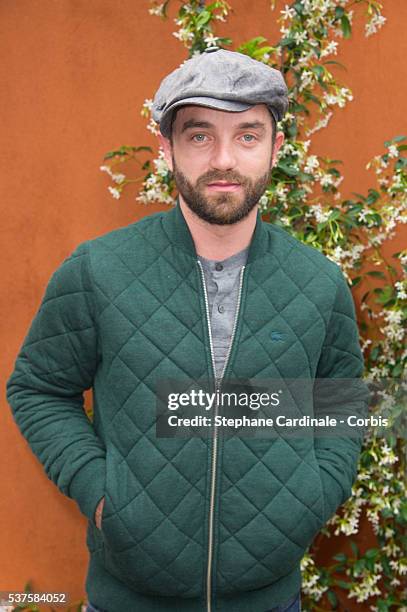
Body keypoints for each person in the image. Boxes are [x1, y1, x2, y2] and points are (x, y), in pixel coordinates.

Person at [6, 48, 368, 612]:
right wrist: (103, 495)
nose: (224, 158)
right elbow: (38, 388)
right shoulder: (98, 270)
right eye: (200, 136)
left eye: (247, 135)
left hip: (270, 601)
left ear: (276, 147)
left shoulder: (319, 284)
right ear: (167, 148)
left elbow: (342, 401)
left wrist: (311, 496)